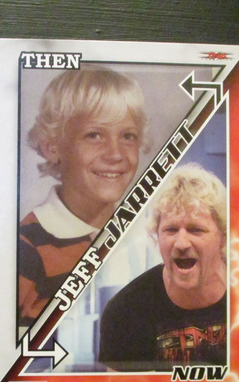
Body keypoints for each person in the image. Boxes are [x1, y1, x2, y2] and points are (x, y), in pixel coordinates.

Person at [18, 67, 149, 328]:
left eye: (128, 136)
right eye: (94, 135)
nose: (115, 154)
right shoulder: (27, 250)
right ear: (52, 147)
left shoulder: (151, 233)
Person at [99, 164, 227, 371]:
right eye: (171, 229)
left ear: (223, 238)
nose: (181, 243)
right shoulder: (125, 312)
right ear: (157, 236)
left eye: (196, 229)